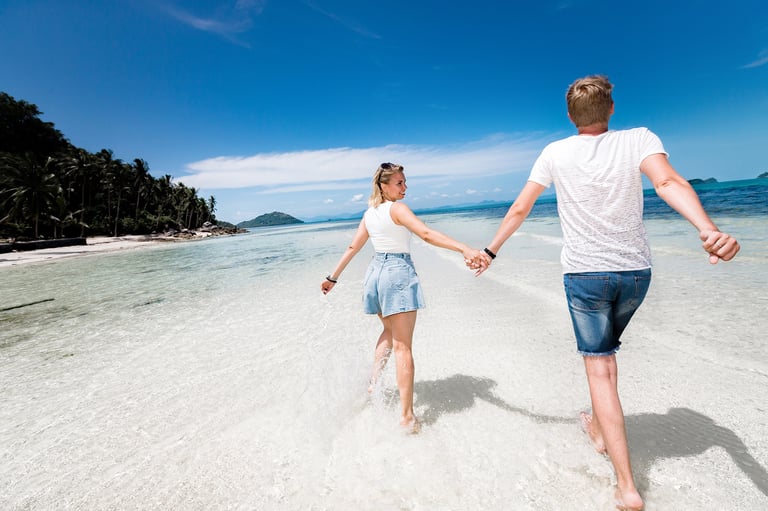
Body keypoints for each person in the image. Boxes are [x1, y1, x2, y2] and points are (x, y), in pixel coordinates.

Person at [475, 75, 740, 510]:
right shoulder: (639, 138)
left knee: (600, 369)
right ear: (611, 108)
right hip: (635, 275)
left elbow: (521, 207)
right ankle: (598, 428)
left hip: (585, 276)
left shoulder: (554, 152)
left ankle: (627, 487)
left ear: (570, 115)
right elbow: (668, 183)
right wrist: (707, 229)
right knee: (608, 357)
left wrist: (491, 251)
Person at [321, 162, 490, 432]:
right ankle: (407, 417)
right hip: (396, 273)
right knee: (403, 347)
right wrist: (464, 248)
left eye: (404, 182)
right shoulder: (397, 209)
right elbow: (426, 234)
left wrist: (333, 277)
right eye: (399, 183)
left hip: (375, 274)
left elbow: (353, 247)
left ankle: (374, 384)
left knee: (389, 332)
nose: (405, 187)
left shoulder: (370, 213)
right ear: (384, 186)